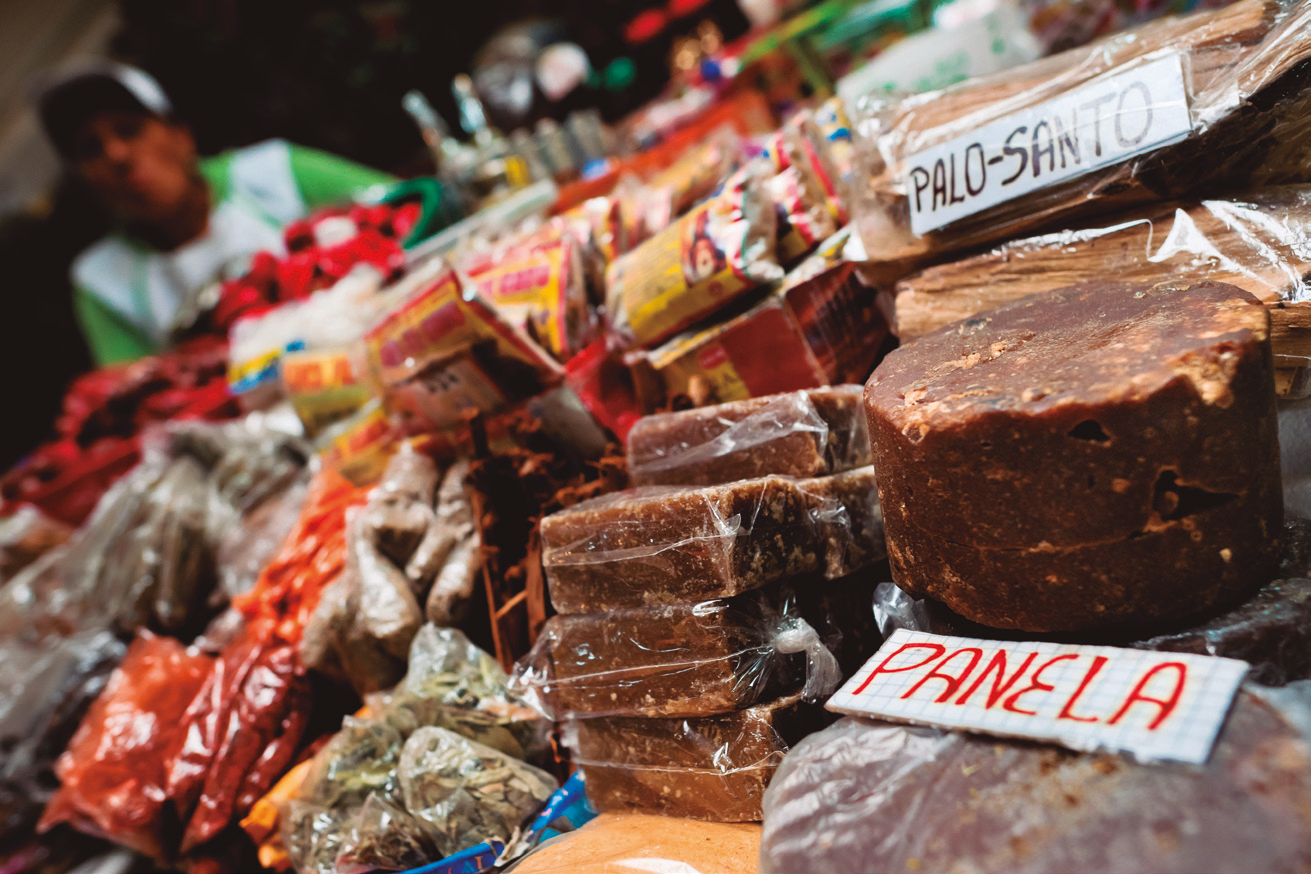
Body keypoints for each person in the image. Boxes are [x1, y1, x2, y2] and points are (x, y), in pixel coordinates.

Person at [37, 61, 398, 365]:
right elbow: (131, 396)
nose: (117, 156)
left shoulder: (277, 173)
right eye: (90, 149)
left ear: (181, 135)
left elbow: (417, 208)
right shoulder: (102, 280)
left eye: (129, 130)